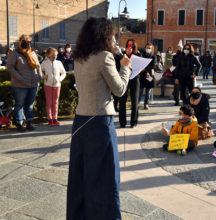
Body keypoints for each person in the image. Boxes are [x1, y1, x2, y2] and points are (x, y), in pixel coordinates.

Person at [67, 17, 131, 220]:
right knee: (105, 176)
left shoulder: (79, 57)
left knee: (81, 174)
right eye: (112, 36)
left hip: (80, 120)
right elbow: (119, 90)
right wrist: (126, 67)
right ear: (103, 35)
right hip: (100, 122)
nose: (113, 40)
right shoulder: (104, 57)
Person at [6, 34, 42, 132]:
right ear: (20, 41)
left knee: (30, 104)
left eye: (28, 41)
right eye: (24, 41)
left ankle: (29, 122)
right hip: (19, 85)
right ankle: (19, 123)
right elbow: (10, 67)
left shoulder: (32, 53)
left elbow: (38, 65)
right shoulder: (14, 53)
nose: (26, 43)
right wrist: (20, 78)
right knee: (19, 104)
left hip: (33, 84)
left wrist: (40, 76)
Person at [41, 47, 67, 126]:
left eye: (55, 55)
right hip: (47, 85)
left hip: (57, 85)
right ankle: (50, 119)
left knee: (55, 102)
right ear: (48, 54)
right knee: (49, 102)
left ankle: (55, 118)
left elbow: (64, 73)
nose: (54, 56)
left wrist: (60, 79)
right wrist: (43, 76)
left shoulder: (59, 63)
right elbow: (38, 70)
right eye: (52, 55)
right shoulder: (44, 63)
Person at [119, 39, 141, 128]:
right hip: (124, 79)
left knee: (135, 101)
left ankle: (133, 122)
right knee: (122, 101)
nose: (130, 47)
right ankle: (122, 122)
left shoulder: (138, 55)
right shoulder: (123, 55)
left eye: (132, 46)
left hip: (135, 79)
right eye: (128, 45)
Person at [139, 43, 156, 110]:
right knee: (140, 90)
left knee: (148, 91)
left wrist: (145, 69)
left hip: (149, 75)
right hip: (142, 75)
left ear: (152, 49)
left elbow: (153, 65)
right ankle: (137, 103)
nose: (148, 49)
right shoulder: (142, 55)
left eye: (149, 48)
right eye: (147, 48)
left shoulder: (153, 56)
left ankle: (146, 104)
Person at [172, 40, 183, 105]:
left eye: (180, 47)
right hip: (176, 73)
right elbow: (174, 65)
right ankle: (176, 100)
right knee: (176, 88)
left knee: (183, 88)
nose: (179, 48)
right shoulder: (175, 56)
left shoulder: (184, 55)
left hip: (183, 74)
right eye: (178, 47)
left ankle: (183, 99)